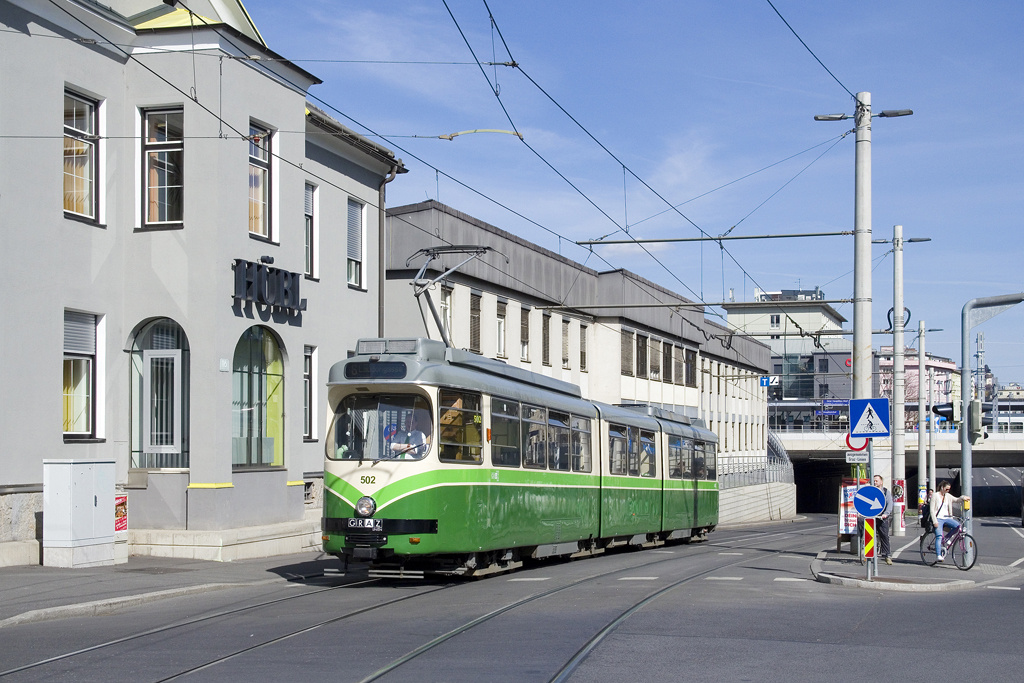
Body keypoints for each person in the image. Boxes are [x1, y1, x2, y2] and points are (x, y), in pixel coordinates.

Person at [930, 480, 969, 562]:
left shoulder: (947, 496)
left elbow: (956, 500)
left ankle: (947, 538)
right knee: (939, 536)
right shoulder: (935, 495)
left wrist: (963, 498)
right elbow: (932, 510)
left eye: (949, 489)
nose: (948, 491)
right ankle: (938, 555)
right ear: (942, 488)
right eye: (947, 489)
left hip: (947, 518)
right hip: (938, 519)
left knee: (958, 526)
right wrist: (934, 521)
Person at [873, 475, 894, 565]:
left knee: (884, 536)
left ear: (881, 482)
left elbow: (889, 503)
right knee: (868, 534)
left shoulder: (885, 492)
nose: (875, 482)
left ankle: (887, 555)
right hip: (872, 516)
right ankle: (866, 554)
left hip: (882, 517)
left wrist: (886, 513)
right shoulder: (870, 491)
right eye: (874, 481)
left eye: (876, 481)